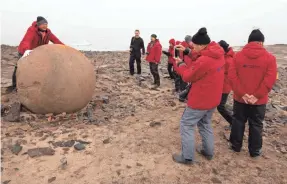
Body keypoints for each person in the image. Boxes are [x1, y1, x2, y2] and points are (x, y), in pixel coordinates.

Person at [172, 27, 225, 164]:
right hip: (213, 99)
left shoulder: (204, 61)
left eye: (194, 45)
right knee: (205, 123)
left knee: (186, 124)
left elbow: (187, 76)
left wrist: (180, 64)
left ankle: (187, 157)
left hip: (200, 100)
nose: (192, 47)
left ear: (201, 45)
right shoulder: (217, 54)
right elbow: (202, 56)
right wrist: (188, 51)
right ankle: (208, 151)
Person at [228, 29, 277, 158]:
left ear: (249, 41)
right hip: (259, 101)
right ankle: (254, 151)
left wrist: (242, 94)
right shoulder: (270, 58)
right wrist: (256, 96)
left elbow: (232, 76)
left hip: (240, 99)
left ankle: (235, 146)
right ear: (261, 42)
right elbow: (270, 79)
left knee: (238, 121)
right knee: (256, 124)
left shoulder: (237, 56)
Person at [13, 16, 64, 90]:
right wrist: (26, 50)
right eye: (42, 24)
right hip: (25, 51)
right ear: (38, 25)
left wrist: (66, 48)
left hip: (37, 52)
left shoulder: (48, 32)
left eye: (46, 24)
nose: (44, 26)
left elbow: (56, 41)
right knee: (19, 68)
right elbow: (26, 40)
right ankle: (14, 86)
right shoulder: (32, 30)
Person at [217, 40, 235, 128]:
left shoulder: (228, 60)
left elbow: (221, 72)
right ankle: (233, 120)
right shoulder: (225, 57)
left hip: (225, 86)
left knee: (220, 106)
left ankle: (233, 122)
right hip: (222, 85)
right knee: (220, 105)